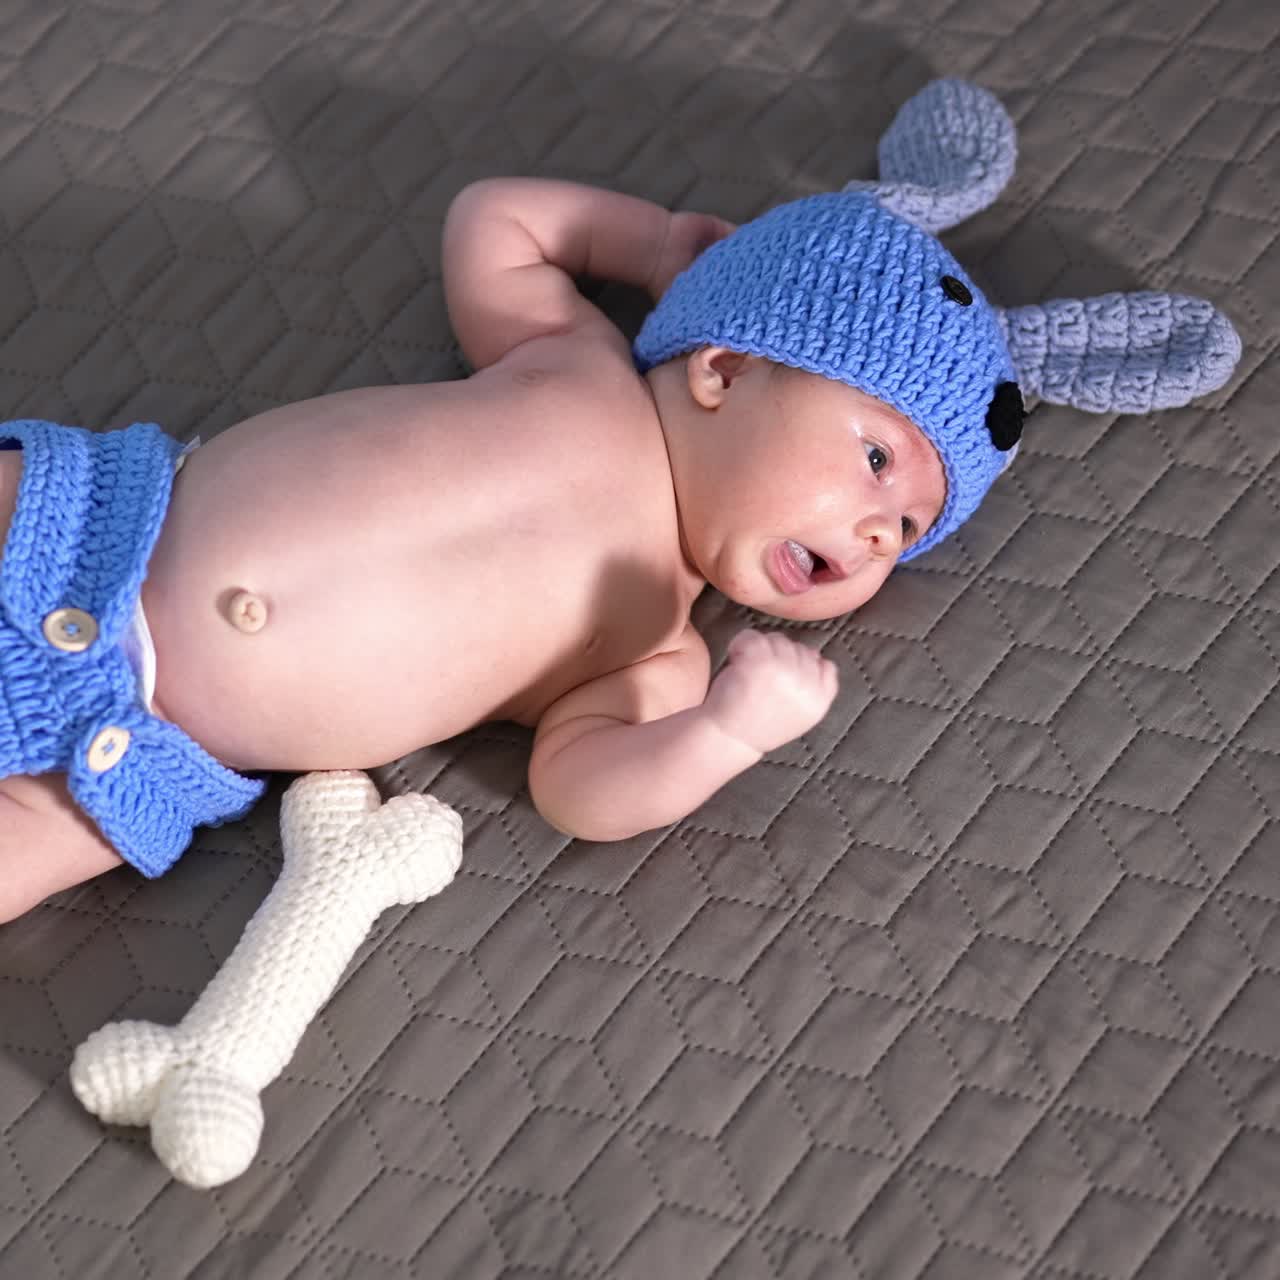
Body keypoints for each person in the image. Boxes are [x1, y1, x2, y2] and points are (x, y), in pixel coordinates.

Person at [0, 81, 1240, 924]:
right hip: (86, 519)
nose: (880, 532)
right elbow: (495, 219)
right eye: (876, 459)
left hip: (133, 749)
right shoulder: (571, 359)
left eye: (908, 529)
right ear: (725, 368)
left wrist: (724, 735)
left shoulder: (656, 647)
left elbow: (582, 789)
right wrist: (649, 245)